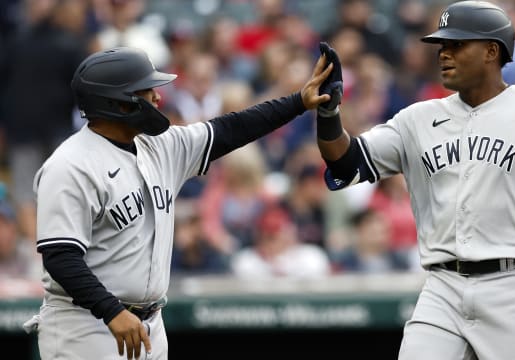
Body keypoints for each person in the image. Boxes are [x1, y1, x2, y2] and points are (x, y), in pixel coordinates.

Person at [314, 2, 515, 359]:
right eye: (441, 46)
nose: (444, 54)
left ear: (491, 51)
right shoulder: (418, 118)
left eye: (456, 45)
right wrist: (329, 113)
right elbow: (345, 163)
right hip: (443, 287)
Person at [22, 45, 335, 360]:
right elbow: (60, 256)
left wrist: (298, 102)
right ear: (119, 103)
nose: (158, 98)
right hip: (86, 327)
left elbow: (231, 129)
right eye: (147, 91)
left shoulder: (160, 146)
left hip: (149, 326)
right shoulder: (69, 166)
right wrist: (111, 311)